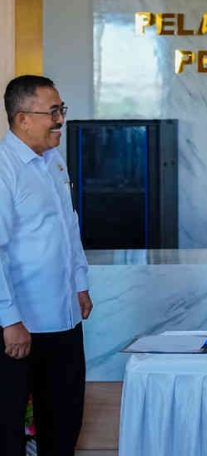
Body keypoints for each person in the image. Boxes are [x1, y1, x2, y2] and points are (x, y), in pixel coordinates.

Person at [0, 75, 93, 456]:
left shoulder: (53, 160)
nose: (60, 120)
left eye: (61, 110)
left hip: (64, 318)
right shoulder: (5, 169)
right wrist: (9, 320)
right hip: (20, 327)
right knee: (10, 432)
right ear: (22, 118)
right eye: (52, 112)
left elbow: (69, 227)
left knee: (64, 422)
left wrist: (80, 283)